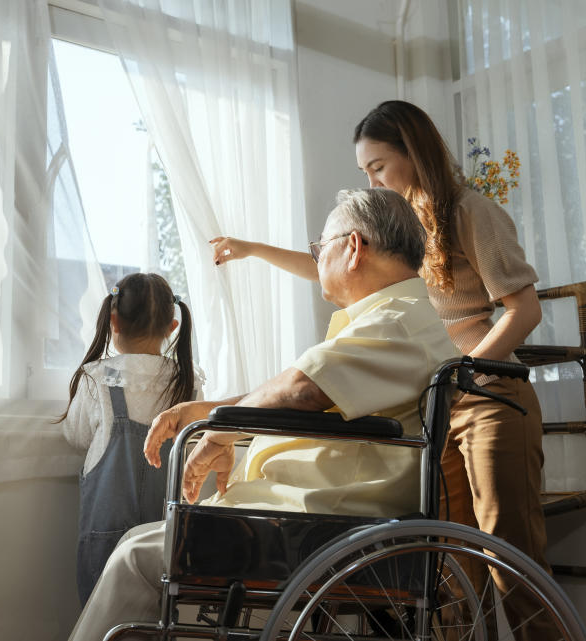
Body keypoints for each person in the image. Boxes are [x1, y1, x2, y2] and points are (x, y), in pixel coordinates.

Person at [211, 100, 548, 638]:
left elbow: (523, 308)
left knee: (507, 553)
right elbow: (335, 260)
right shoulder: (400, 231)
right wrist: (253, 249)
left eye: (378, 167)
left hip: (485, 397)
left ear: (414, 154)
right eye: (364, 172)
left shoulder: (470, 211)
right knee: (448, 564)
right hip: (436, 401)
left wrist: (465, 371)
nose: (372, 180)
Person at [66, 188, 461, 641]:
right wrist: (213, 411)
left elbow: (300, 390)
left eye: (319, 249)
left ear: (352, 249)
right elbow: (309, 392)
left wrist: (221, 430)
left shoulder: (394, 321)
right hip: (321, 514)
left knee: (135, 558)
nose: (316, 260)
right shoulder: (401, 318)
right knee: (140, 542)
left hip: (320, 523)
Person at [57, 272, 203, 606]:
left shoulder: (97, 380)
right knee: (157, 623)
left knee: (102, 619)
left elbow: (77, 436)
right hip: (164, 542)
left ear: (113, 321)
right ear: (172, 327)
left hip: (106, 540)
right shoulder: (189, 387)